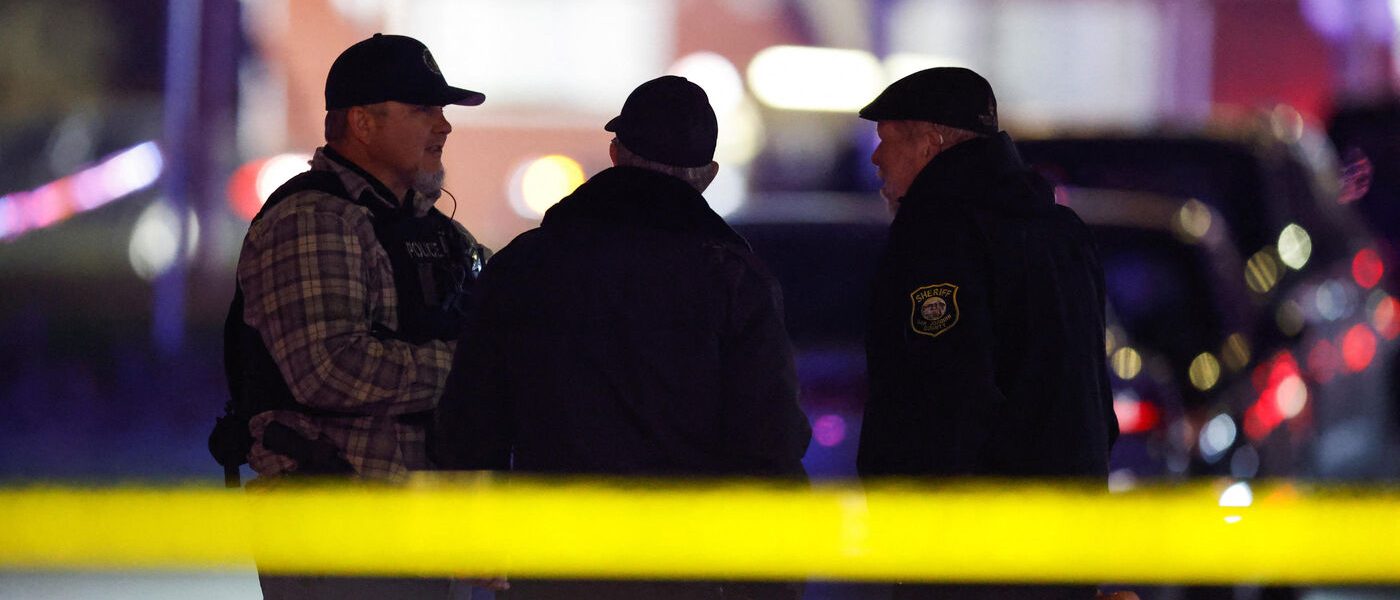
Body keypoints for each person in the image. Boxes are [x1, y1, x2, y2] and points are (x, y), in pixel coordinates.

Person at [435, 75, 811, 599]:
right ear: (707, 175)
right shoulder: (732, 279)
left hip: (553, 562)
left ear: (616, 153)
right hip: (682, 567)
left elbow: (471, 420)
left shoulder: (525, 265)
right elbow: (768, 441)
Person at [229, 33, 488, 599]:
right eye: (423, 109)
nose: (444, 126)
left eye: (442, 110)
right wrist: (473, 370)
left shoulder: (439, 233)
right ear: (362, 123)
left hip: (418, 527)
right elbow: (331, 369)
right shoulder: (313, 221)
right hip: (337, 526)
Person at [856, 67, 1119, 599]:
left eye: (887, 139)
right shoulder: (1061, 234)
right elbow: (1091, 392)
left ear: (929, 143)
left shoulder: (939, 240)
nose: (876, 157)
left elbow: (942, 399)